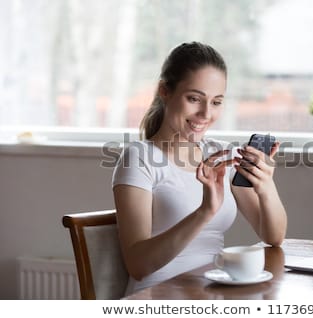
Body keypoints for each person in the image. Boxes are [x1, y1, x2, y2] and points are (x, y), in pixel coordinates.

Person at [112, 42, 287, 296]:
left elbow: (273, 236)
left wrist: (266, 187)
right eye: (194, 98)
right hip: (156, 296)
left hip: (212, 293)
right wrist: (205, 211)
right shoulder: (138, 159)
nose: (205, 113)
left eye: (216, 102)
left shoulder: (222, 156)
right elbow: (139, 266)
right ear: (165, 91)